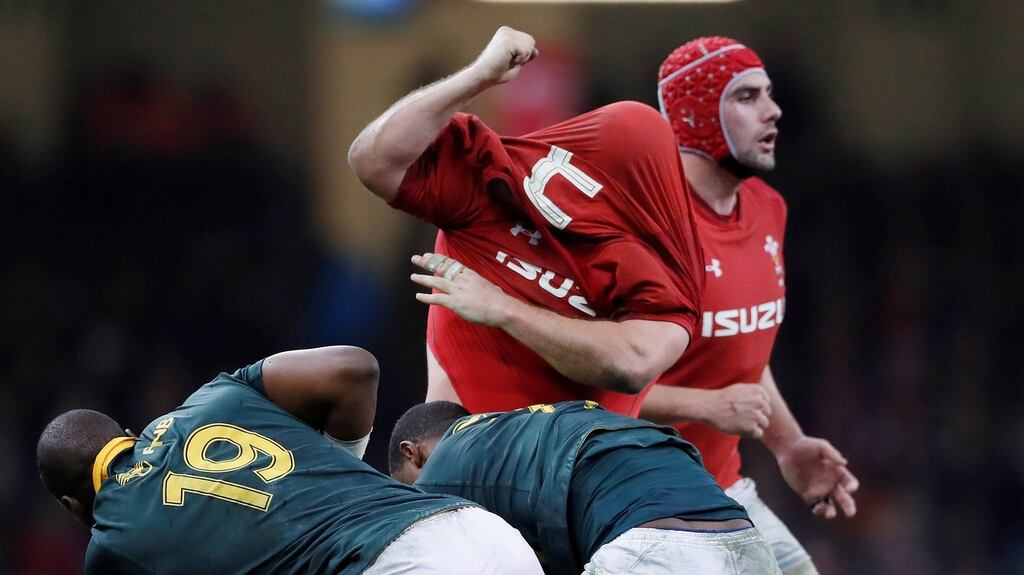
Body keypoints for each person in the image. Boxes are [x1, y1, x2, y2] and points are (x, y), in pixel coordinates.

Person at [348, 26, 705, 417]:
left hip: (578, 468)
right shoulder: (494, 188)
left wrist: (504, 309)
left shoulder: (666, 274)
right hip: (465, 456)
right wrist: (478, 75)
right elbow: (373, 160)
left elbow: (632, 363)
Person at [639, 37, 860, 574]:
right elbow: (585, 392)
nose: (773, 110)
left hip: (727, 488)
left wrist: (787, 444)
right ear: (697, 115)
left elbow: (744, 350)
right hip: (639, 500)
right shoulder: (649, 228)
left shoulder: (767, 208)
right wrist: (705, 407)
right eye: (746, 97)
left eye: (769, 94)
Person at [36, 346, 543, 574]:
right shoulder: (212, 398)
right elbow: (354, 368)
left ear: (71, 505)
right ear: (126, 435)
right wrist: (342, 464)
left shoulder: (111, 549)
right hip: (479, 531)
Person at [390, 400, 781, 575]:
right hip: (744, 542)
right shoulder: (530, 430)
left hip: (650, 551)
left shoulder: (437, 476)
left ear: (414, 455)